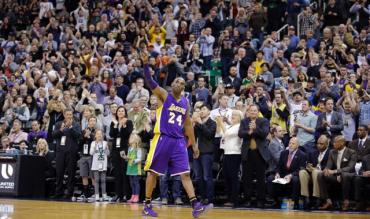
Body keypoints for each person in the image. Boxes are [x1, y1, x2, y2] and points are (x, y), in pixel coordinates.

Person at [142, 55, 212, 218]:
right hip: (163, 138)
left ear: (184, 87)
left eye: (182, 82)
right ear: (172, 83)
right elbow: (149, 81)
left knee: (185, 173)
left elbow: (188, 125)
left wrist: (194, 145)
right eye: (176, 81)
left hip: (179, 141)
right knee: (153, 172)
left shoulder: (185, 103)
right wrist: (146, 64)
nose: (178, 83)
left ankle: (196, 206)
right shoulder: (164, 95)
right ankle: (147, 204)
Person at [238, 104, 271, 208]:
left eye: (255, 111)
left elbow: (265, 133)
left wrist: (256, 128)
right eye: (251, 111)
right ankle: (248, 199)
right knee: (247, 178)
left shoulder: (264, 121)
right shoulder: (244, 121)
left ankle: (261, 200)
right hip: (247, 153)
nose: (253, 112)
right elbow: (240, 134)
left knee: (261, 178)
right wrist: (249, 132)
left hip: (259, 153)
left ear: (258, 112)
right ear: (248, 112)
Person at [318, 135, 357, 211]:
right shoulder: (332, 152)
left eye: (335, 142)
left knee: (344, 175)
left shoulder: (352, 152)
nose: (333, 144)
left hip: (348, 175)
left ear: (342, 143)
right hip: (336, 176)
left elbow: (350, 167)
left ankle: (346, 201)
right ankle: (328, 201)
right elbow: (329, 165)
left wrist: (335, 171)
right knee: (321, 175)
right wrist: (326, 170)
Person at [52, 109, 82, 199]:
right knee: (59, 173)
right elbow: (53, 135)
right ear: (64, 115)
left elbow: (78, 136)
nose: (69, 116)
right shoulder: (58, 124)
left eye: (71, 114)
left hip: (71, 152)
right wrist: (60, 130)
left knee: (71, 173)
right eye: (67, 114)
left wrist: (71, 128)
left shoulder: (76, 124)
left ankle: (69, 193)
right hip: (60, 152)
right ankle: (58, 192)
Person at [218, 109, 243, 207]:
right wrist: (218, 122)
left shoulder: (239, 126)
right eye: (232, 114)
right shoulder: (230, 126)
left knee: (233, 177)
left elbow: (227, 134)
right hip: (227, 153)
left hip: (235, 153)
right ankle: (229, 199)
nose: (233, 116)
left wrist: (220, 122)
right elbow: (220, 133)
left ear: (240, 117)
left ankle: (235, 200)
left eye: (235, 115)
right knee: (227, 177)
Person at [193, 104, 217, 204]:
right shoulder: (198, 123)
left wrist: (200, 123)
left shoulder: (212, 123)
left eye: (204, 109)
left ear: (209, 111)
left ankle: (209, 197)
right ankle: (202, 197)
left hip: (207, 153)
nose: (201, 111)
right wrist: (193, 124)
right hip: (197, 152)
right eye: (200, 110)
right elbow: (192, 136)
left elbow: (209, 134)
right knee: (198, 176)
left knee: (207, 176)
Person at [299, 135, 330, 209]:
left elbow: (329, 167)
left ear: (327, 144)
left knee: (316, 172)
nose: (319, 145)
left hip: (323, 175)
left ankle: (317, 198)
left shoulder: (330, 153)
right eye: (318, 143)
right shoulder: (313, 153)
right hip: (312, 174)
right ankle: (306, 197)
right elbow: (308, 164)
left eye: (321, 144)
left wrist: (315, 169)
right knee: (302, 172)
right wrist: (308, 167)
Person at [109, 106, 133, 202]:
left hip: (124, 149)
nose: (120, 112)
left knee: (124, 173)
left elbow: (127, 133)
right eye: (119, 111)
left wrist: (123, 126)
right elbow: (112, 134)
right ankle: (118, 194)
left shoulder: (128, 122)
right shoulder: (113, 122)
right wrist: (115, 125)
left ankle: (125, 194)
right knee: (117, 173)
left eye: (122, 111)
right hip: (115, 149)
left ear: (125, 112)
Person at [78, 116, 97, 201]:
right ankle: (85, 193)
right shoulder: (83, 131)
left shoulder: (97, 132)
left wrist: (90, 137)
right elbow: (79, 144)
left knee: (92, 175)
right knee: (84, 175)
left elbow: (98, 141)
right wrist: (85, 137)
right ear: (88, 122)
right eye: (91, 120)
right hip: (83, 155)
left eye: (94, 120)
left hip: (92, 156)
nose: (92, 122)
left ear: (96, 122)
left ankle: (94, 194)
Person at [90, 129, 110, 202]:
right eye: (97, 134)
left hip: (103, 164)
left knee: (103, 180)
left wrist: (107, 149)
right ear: (95, 136)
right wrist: (95, 146)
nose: (99, 135)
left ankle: (104, 195)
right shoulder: (93, 143)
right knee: (97, 180)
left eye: (100, 134)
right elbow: (91, 153)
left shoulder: (105, 143)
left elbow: (108, 154)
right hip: (95, 165)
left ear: (103, 135)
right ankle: (97, 195)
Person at [125, 133, 143, 203]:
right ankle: (133, 195)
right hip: (130, 168)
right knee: (131, 183)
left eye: (131, 138)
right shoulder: (129, 148)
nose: (130, 139)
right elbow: (129, 157)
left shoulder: (138, 149)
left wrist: (134, 161)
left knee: (136, 182)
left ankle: (137, 196)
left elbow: (139, 158)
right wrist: (126, 158)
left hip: (135, 168)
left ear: (135, 140)